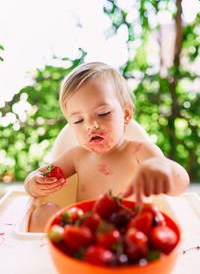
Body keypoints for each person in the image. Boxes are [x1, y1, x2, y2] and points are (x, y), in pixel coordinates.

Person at [24, 62, 189, 232]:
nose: (91, 125)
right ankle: (44, 255)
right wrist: (33, 183)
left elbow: (179, 185)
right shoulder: (76, 157)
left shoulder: (140, 151)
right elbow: (41, 174)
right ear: (71, 125)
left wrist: (164, 171)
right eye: (78, 121)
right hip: (84, 235)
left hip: (130, 236)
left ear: (126, 114)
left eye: (103, 113)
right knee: (44, 212)